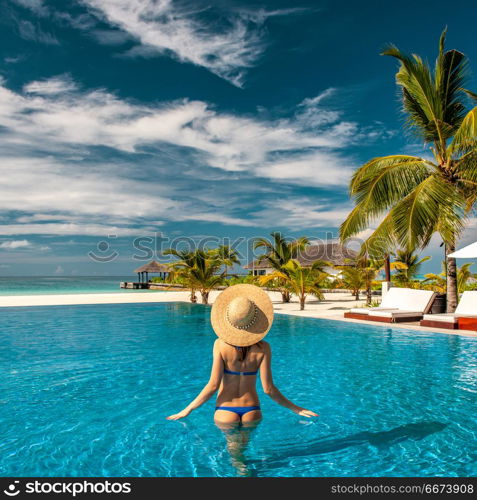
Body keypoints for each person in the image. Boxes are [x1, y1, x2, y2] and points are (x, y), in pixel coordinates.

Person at [167, 284, 318, 425]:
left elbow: (213, 385)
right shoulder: (264, 348)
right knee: (245, 452)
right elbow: (268, 389)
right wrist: (296, 408)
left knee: (234, 453)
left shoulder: (220, 345)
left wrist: (188, 409)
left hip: (225, 410)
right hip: (252, 410)